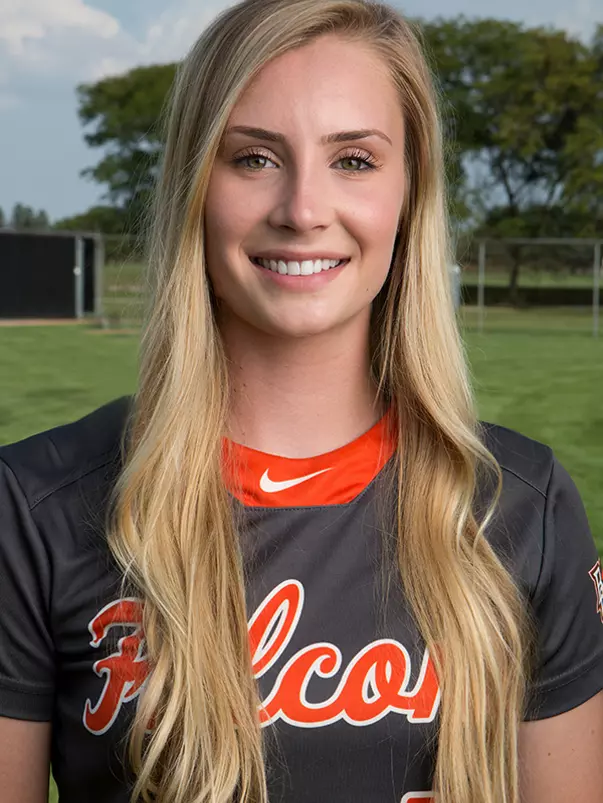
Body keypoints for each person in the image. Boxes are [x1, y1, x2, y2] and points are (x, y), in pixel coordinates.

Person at [1, 0, 603, 801]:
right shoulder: (34, 507)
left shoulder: (521, 507)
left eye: (353, 160)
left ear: (408, 192)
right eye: (253, 158)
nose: (302, 210)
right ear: (193, 183)